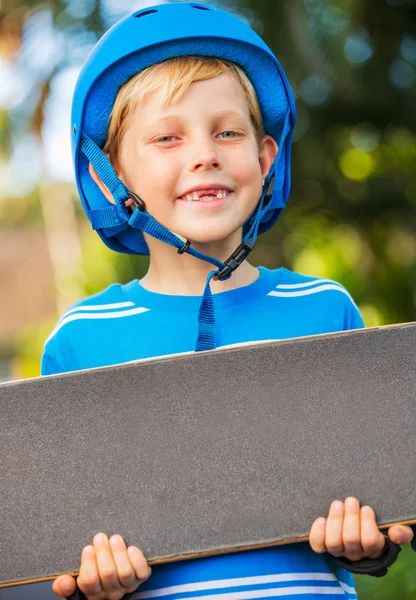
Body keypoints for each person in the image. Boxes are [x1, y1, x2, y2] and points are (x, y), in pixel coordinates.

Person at [41, 3, 414, 599]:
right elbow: (59, 550)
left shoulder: (326, 309)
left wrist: (372, 545)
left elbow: (381, 510)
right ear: (113, 177)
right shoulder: (80, 338)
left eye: (228, 132)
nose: (204, 154)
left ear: (265, 159)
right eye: (167, 137)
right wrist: (91, 583)